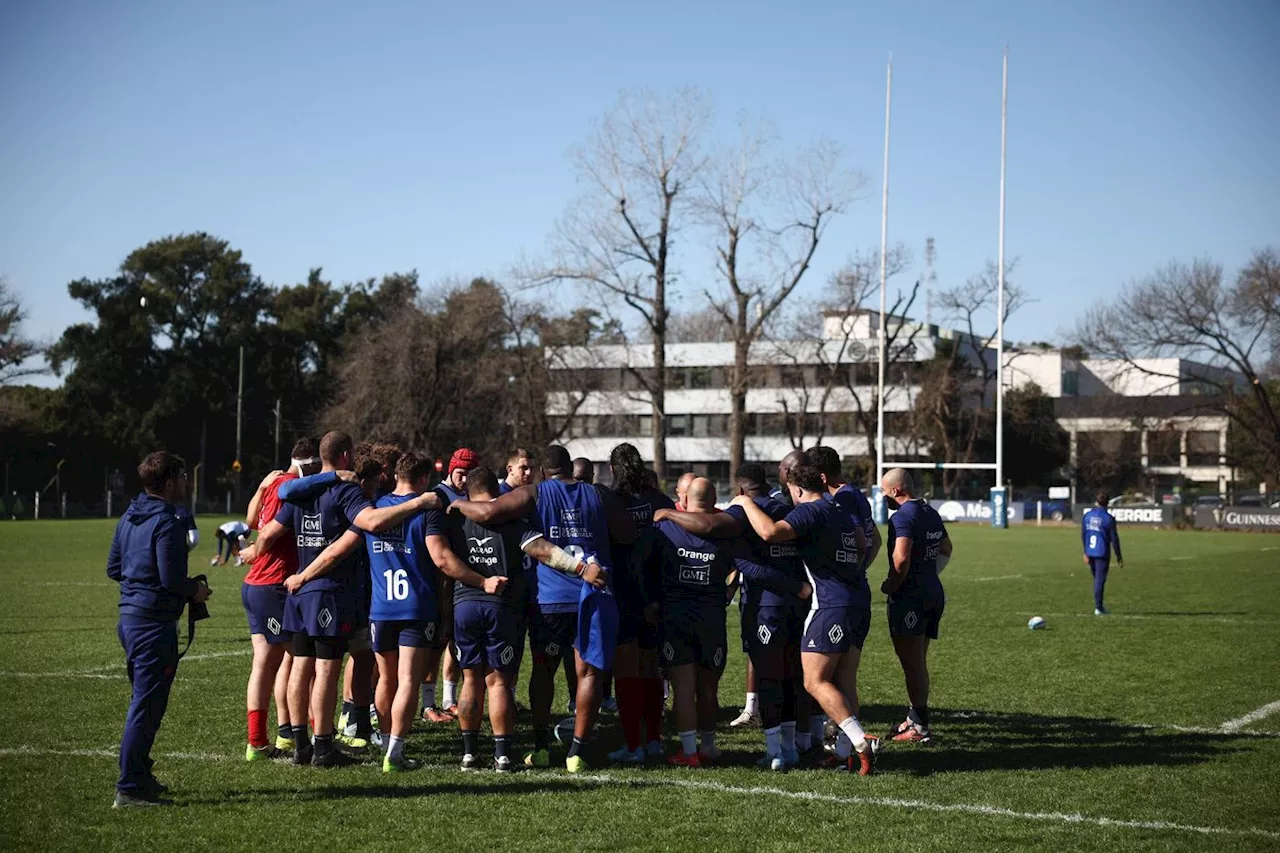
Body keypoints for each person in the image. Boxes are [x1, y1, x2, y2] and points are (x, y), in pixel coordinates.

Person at [245, 431, 439, 767]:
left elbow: (270, 531)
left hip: (300, 592)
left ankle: (300, 742)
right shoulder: (345, 491)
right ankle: (322, 747)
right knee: (326, 671)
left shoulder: (301, 492)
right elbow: (370, 524)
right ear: (347, 456)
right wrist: (420, 502)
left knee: (299, 667)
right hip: (328, 591)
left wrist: (254, 552)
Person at [449, 444, 635, 773]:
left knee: (543, 671)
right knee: (588, 672)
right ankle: (577, 750)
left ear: (543, 472)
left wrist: (455, 501)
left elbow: (489, 512)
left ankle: (542, 746)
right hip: (593, 592)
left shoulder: (536, 493)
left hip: (549, 599)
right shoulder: (600, 495)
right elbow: (627, 534)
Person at [659, 463, 815, 770]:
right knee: (790, 676)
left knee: (758, 679)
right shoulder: (783, 510)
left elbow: (741, 560)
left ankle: (762, 752)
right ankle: (791, 744)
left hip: (747, 610)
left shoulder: (732, 518)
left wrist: (666, 513)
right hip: (749, 614)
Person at [731, 462, 878, 775]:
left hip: (829, 605)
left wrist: (744, 502)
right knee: (844, 681)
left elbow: (770, 532)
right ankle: (844, 752)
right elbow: (864, 544)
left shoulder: (809, 510)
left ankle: (860, 741)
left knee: (814, 681)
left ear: (796, 489)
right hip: (857, 602)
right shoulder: (839, 508)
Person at [107, 451, 211, 807]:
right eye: (183, 476)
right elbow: (170, 579)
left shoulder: (128, 515)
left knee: (147, 703)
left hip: (130, 619)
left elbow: (113, 568)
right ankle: (129, 788)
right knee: (145, 705)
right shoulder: (169, 519)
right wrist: (195, 591)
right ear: (168, 482)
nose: (187, 482)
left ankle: (140, 775)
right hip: (153, 625)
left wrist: (140, 583)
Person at [634, 478, 737, 767]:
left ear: (686, 500)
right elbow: (738, 567)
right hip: (712, 619)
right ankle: (710, 746)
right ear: (715, 498)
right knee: (708, 690)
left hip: (676, 618)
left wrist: (651, 603)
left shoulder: (664, 528)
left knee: (682, 688)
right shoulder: (725, 530)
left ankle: (689, 752)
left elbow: (642, 568)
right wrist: (729, 589)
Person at [238, 439, 321, 760]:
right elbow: (267, 531)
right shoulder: (290, 486)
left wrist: (259, 489)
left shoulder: (275, 482)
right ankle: (314, 734)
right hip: (272, 585)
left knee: (268, 663)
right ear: (310, 466)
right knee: (306, 662)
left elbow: (250, 521)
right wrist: (256, 550)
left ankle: (263, 741)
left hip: (257, 586)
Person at [605, 442, 675, 764]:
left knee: (627, 670)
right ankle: (654, 741)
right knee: (651, 668)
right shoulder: (660, 501)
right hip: (659, 595)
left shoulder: (611, 500)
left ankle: (633, 744)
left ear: (614, 470)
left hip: (624, 594)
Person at [879, 467, 951, 744]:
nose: (883, 496)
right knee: (917, 660)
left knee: (913, 664)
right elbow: (947, 548)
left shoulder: (903, 516)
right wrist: (929, 575)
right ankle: (914, 717)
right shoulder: (929, 512)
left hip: (910, 598)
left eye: (884, 491)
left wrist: (891, 585)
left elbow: (901, 559)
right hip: (933, 592)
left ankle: (919, 726)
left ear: (896, 490)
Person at [430, 447, 480, 721]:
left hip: (463, 574)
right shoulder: (438, 496)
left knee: (455, 639)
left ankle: (449, 698)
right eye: (461, 473)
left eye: (469, 474)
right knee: (437, 640)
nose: (464, 479)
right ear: (451, 470)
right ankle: (428, 702)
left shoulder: (469, 495)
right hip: (441, 577)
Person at [1081, 491, 1123, 616]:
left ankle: (1099, 606)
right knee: (1099, 580)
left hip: (1090, 552)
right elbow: (1114, 539)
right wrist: (1119, 556)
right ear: (1108, 503)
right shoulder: (1108, 519)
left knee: (1096, 580)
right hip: (1102, 553)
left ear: (1097, 501)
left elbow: (1084, 534)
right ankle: (1098, 608)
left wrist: (1085, 552)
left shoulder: (1087, 516)